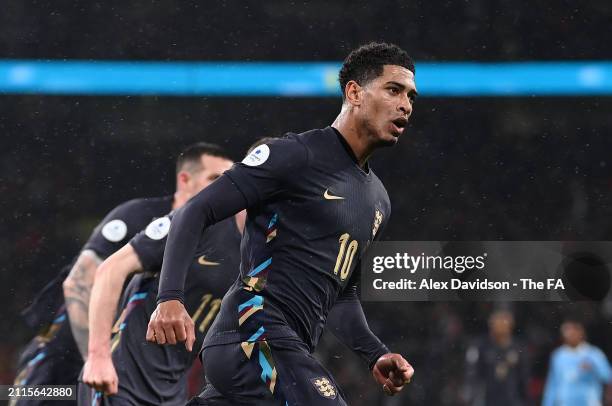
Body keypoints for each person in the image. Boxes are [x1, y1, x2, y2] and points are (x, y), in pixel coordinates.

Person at [147, 41, 417, 405]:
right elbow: (196, 211)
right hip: (253, 331)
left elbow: (342, 295)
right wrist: (170, 298)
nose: (405, 105)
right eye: (393, 90)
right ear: (354, 92)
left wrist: (374, 353)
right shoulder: (294, 155)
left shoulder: (378, 201)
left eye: (411, 96)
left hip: (285, 347)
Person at [10, 142, 227, 406]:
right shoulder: (138, 217)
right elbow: (78, 284)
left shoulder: (212, 239)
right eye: (214, 178)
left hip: (120, 371)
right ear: (184, 179)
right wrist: (96, 358)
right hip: (61, 360)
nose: (222, 189)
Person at [79, 150, 241, 405]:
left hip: (172, 392)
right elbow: (110, 270)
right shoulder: (193, 222)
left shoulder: (259, 251)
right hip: (121, 381)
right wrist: (97, 357)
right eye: (213, 178)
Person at [464, 309, 529, 406]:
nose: (501, 329)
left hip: (512, 400)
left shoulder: (518, 348)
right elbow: (473, 375)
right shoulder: (482, 347)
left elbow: (524, 378)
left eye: (504, 326)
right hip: (488, 399)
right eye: (497, 326)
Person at [542, 319, 611, 406]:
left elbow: (607, 376)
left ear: (580, 333)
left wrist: (593, 368)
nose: (569, 335)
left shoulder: (593, 353)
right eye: (566, 331)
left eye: (572, 332)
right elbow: (552, 383)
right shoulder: (558, 355)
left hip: (589, 402)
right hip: (565, 403)